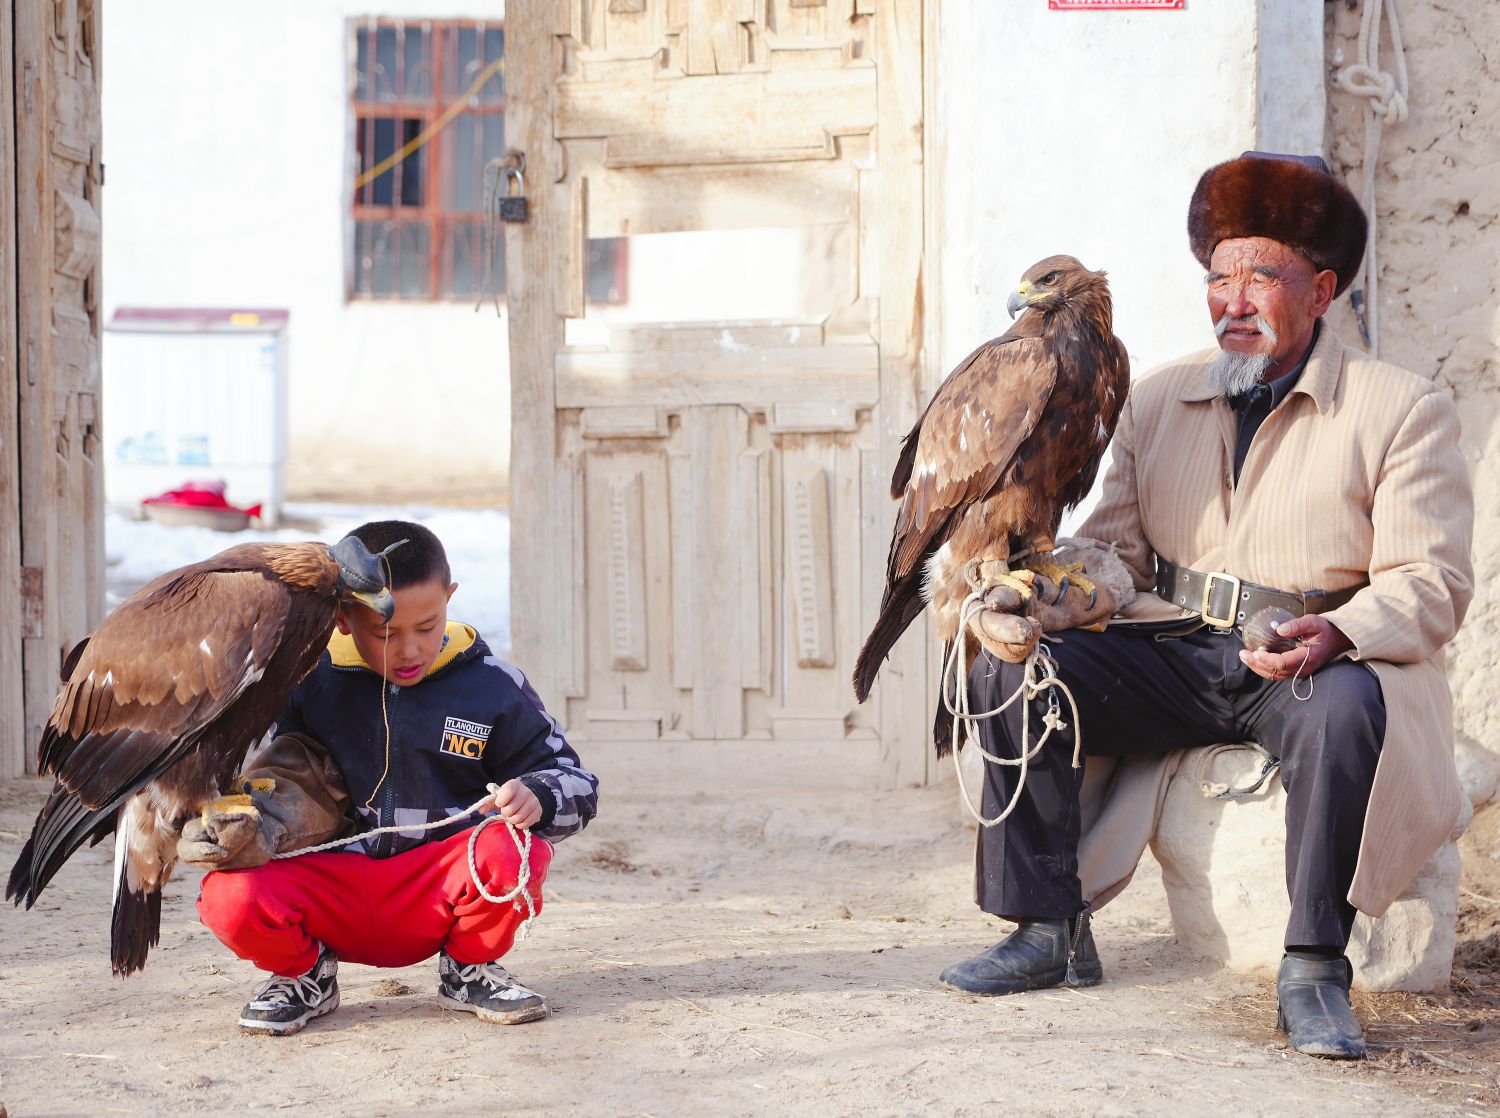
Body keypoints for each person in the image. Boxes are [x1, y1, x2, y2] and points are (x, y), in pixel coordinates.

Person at [938, 152, 1474, 1060]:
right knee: (1010, 665)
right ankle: (1044, 928)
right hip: (1175, 648)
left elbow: (1433, 583)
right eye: (1217, 277)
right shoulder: (1156, 400)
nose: (1233, 299)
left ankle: (1311, 971)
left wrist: (1337, 632)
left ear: (1322, 289)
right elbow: (1113, 550)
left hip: (1309, 659)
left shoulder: (1400, 408)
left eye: (1260, 274)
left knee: (1346, 713)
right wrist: (1043, 602)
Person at [178, 519, 599, 1036]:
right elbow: (245, 766)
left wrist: (538, 795)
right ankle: (304, 976)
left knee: (513, 852)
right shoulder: (303, 681)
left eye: (428, 626)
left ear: (450, 597)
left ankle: (469, 970)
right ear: (343, 619)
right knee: (228, 894)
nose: (410, 650)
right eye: (386, 633)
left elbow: (576, 779)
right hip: (329, 884)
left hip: (437, 887)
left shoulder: (493, 686)